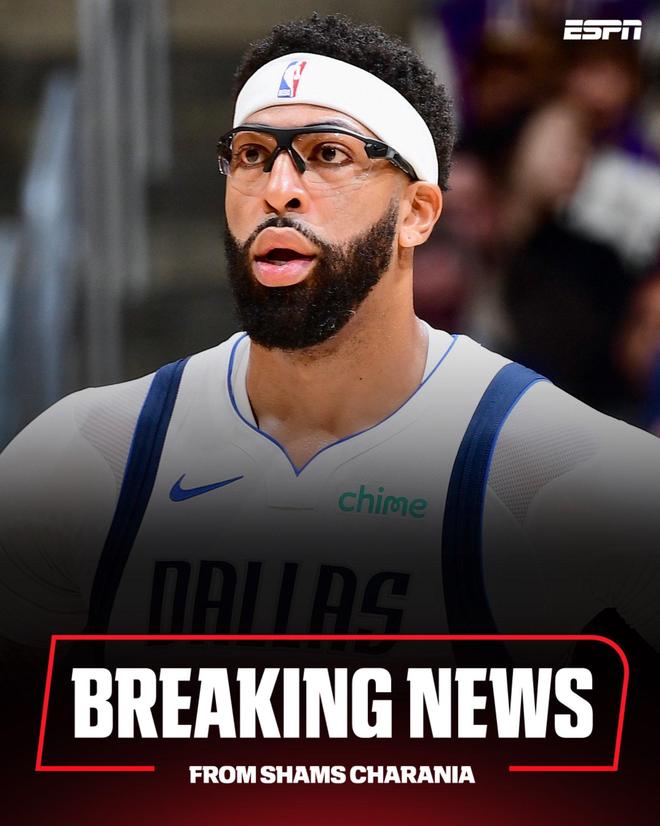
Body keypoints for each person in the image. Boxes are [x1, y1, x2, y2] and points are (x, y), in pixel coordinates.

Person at [0, 14, 659, 658]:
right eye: (252, 155)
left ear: (417, 214)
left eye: (328, 154)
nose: (278, 189)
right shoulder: (85, 459)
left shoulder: (560, 472)